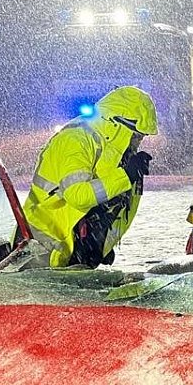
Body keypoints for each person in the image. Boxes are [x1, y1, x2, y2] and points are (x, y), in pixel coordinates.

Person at [22, 85, 158, 268]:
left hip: (71, 252)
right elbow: (77, 195)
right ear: (118, 126)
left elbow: (112, 204)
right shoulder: (77, 140)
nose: (138, 143)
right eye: (136, 136)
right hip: (40, 248)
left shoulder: (112, 156)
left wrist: (101, 244)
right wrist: (125, 177)